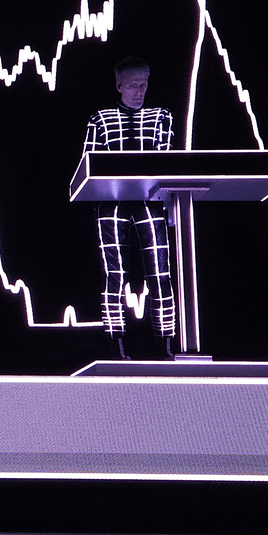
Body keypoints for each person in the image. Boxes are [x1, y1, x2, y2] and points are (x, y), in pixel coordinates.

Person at [85, 55, 176, 360]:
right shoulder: (100, 120)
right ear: (119, 86)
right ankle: (116, 347)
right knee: (114, 274)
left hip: (149, 202)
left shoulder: (161, 117)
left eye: (144, 84)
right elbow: (88, 166)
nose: (140, 91)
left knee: (160, 273)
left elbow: (167, 161)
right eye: (134, 85)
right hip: (111, 203)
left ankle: (165, 346)